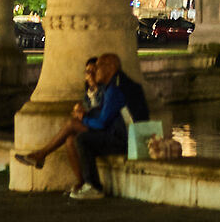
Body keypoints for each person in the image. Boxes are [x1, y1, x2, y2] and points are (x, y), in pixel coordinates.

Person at [14, 52, 134, 199]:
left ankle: (92, 185)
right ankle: (83, 182)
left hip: (117, 138)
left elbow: (103, 122)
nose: (95, 72)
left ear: (110, 69)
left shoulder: (112, 91)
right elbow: (101, 117)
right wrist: (84, 114)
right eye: (90, 71)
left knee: (77, 133)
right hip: (110, 133)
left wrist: (83, 118)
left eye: (98, 68)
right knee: (70, 139)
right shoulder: (107, 90)